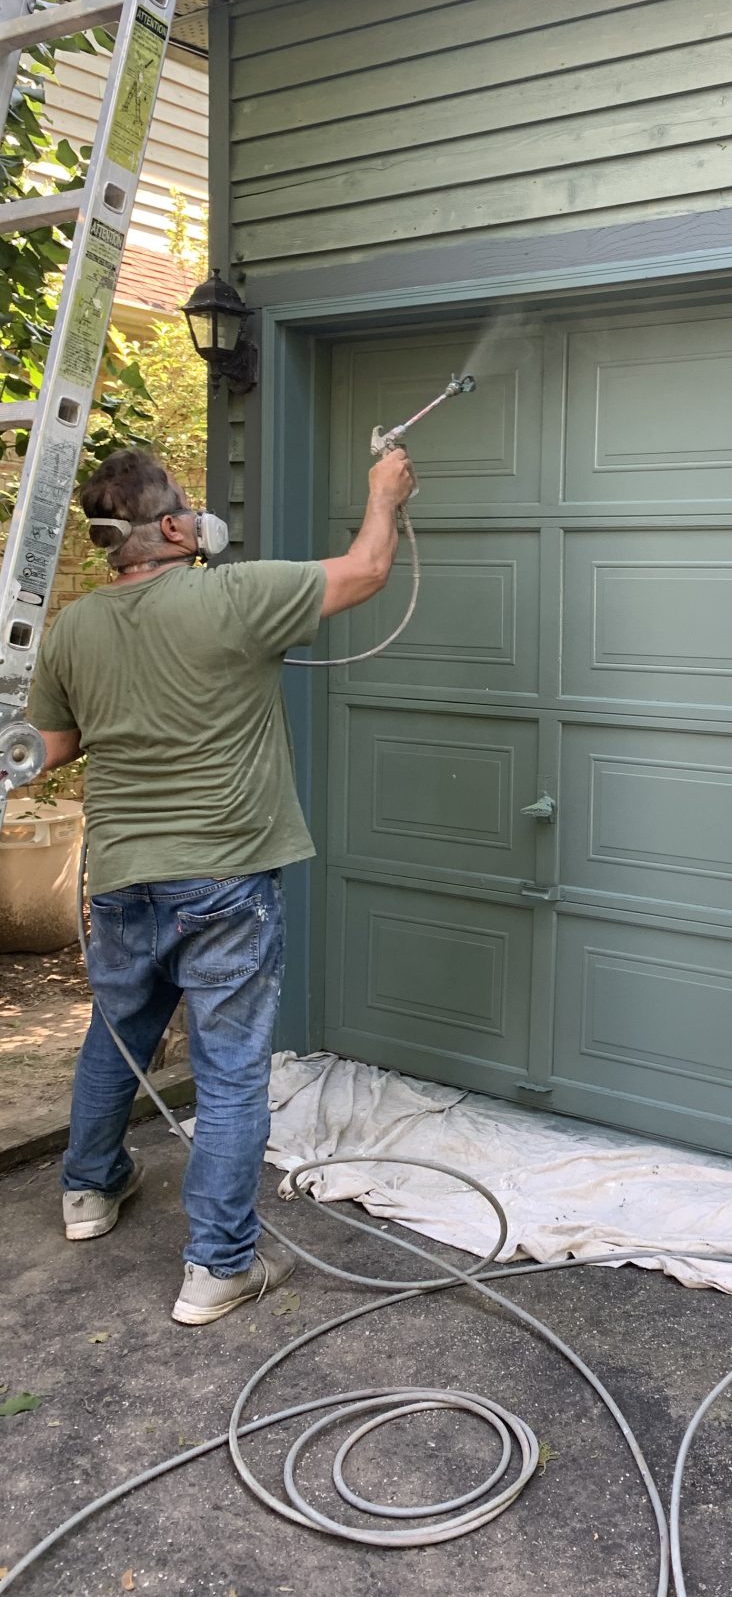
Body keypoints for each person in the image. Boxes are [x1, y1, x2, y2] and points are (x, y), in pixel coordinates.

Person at [26, 444, 416, 1325]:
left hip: (122, 878)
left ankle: (88, 1191)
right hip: (225, 881)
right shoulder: (234, 596)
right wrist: (384, 492)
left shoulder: (74, 629)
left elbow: (51, 746)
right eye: (188, 504)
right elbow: (367, 570)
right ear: (172, 528)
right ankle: (218, 1266)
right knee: (232, 1072)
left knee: (117, 1036)